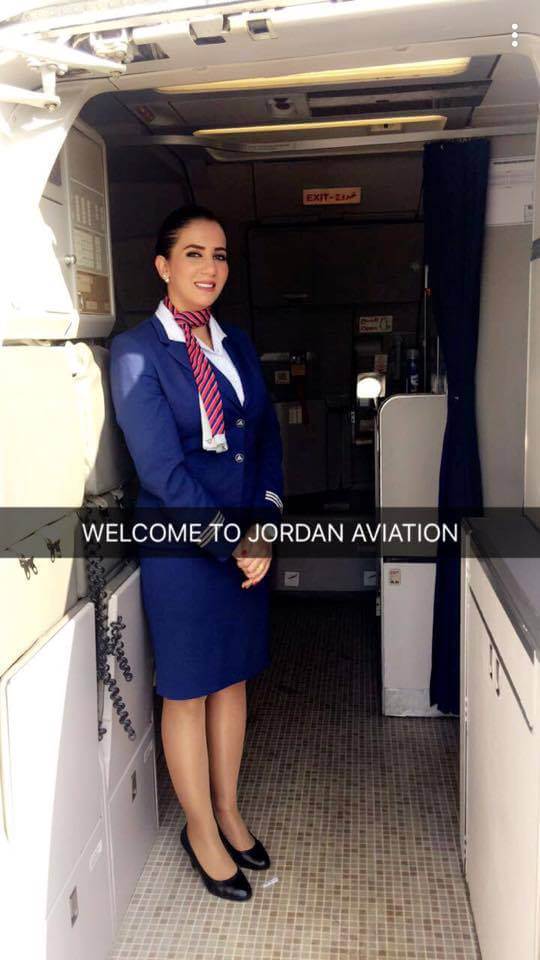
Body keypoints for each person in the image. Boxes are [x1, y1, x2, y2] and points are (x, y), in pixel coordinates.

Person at [109, 204, 284, 903]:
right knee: (187, 690)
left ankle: (230, 810)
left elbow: (264, 440)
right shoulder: (137, 352)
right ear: (163, 266)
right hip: (184, 550)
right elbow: (161, 471)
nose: (210, 267)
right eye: (193, 253)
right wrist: (231, 540)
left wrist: (264, 523)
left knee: (231, 679)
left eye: (219, 255)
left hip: (247, 543)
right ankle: (201, 830)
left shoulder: (235, 343)